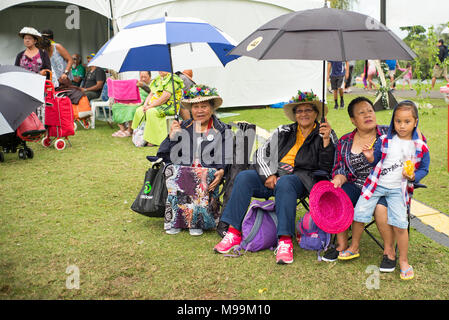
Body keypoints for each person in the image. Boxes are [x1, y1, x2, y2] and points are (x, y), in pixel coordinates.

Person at [213, 90, 337, 265]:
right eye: (299, 111)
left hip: (301, 179)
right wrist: (268, 174)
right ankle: (233, 233)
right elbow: (261, 153)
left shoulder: (326, 134)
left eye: (308, 110)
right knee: (244, 177)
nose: (304, 114)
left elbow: (327, 167)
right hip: (274, 173)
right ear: (294, 115)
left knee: (286, 183)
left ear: (317, 113)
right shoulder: (284, 130)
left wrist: (325, 143)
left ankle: (285, 240)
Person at [341, 100, 430, 281]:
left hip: (398, 189)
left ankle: (404, 261)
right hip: (376, 185)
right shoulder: (385, 140)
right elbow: (377, 161)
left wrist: (414, 177)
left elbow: (424, 169)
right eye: (398, 121)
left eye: (407, 121)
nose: (402, 126)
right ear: (393, 121)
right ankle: (354, 247)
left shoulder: (419, 146)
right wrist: (371, 157)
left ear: (415, 122)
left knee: (400, 224)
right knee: (359, 213)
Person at [322, 97, 393, 271]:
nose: (368, 115)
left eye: (370, 111)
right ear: (353, 120)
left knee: (380, 209)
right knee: (339, 195)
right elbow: (339, 168)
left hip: (383, 186)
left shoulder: (389, 134)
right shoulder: (345, 141)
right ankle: (341, 244)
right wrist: (338, 177)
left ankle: (389, 251)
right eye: (361, 113)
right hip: (357, 185)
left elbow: (414, 143)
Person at [156, 84, 230, 236]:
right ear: (190, 110)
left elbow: (227, 153)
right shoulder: (182, 126)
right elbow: (163, 154)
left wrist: (222, 170)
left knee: (199, 173)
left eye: (204, 106)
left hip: (207, 175)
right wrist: (172, 138)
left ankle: (196, 220)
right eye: (196, 107)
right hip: (183, 175)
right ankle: (177, 219)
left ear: (212, 108)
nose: (200, 110)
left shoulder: (222, 129)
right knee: (177, 170)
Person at [131, 71, 184, 147]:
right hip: (155, 105)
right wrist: (145, 105)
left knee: (151, 112)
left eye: (163, 68)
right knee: (140, 110)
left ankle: (154, 140)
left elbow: (165, 97)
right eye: (159, 69)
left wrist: (150, 106)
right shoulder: (157, 79)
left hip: (170, 105)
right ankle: (141, 136)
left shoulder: (173, 80)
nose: (160, 70)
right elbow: (151, 94)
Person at [111, 71, 152, 137]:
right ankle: (122, 129)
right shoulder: (137, 83)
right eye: (142, 77)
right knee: (116, 106)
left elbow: (151, 91)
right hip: (132, 99)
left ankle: (130, 130)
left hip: (144, 101)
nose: (143, 79)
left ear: (150, 77)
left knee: (132, 108)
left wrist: (143, 86)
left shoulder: (152, 84)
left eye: (145, 77)